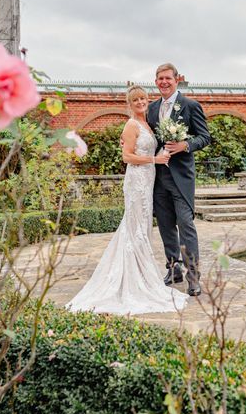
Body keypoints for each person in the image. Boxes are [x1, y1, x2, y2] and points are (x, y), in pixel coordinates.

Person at [67, 85, 188, 315]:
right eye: (136, 100)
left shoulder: (149, 124)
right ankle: (132, 279)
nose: (141, 102)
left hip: (148, 180)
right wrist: (155, 160)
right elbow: (127, 156)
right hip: (136, 182)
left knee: (142, 227)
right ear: (130, 104)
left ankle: (141, 274)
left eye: (143, 98)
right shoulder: (131, 124)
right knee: (134, 228)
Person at [147, 63, 211, 296]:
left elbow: (205, 137)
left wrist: (185, 145)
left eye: (168, 78)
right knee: (165, 225)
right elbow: (148, 137)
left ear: (177, 80)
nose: (164, 82)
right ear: (156, 82)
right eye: (159, 79)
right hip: (158, 177)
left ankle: (193, 276)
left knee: (185, 224)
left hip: (181, 177)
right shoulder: (152, 109)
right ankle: (173, 268)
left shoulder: (190, 105)